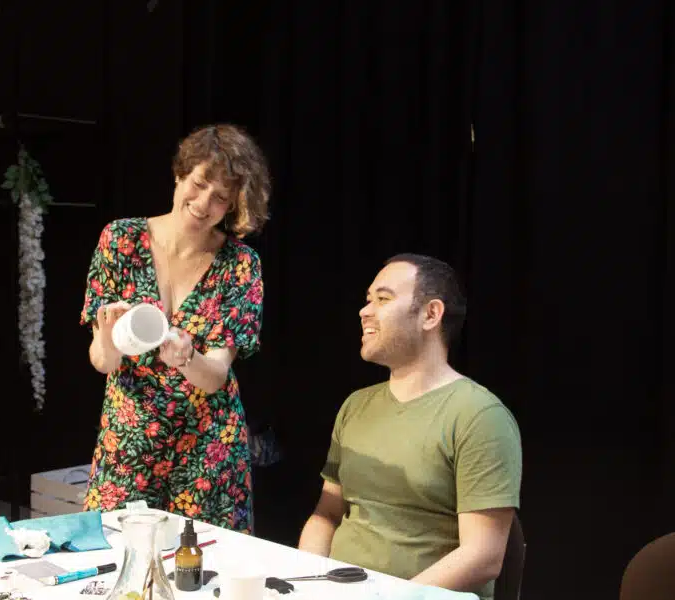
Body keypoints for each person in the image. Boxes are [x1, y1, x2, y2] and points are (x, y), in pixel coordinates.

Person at [79, 124, 271, 533]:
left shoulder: (240, 264)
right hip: (129, 440)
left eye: (220, 197)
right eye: (199, 184)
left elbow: (216, 376)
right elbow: (103, 361)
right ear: (180, 174)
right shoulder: (121, 240)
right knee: (115, 553)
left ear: (233, 206)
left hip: (207, 448)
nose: (203, 203)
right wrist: (109, 333)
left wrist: (187, 357)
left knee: (204, 563)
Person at [298, 254, 522, 600]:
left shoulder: (480, 416)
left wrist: (391, 597)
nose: (365, 311)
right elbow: (326, 515)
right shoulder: (355, 405)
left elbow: (483, 556)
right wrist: (307, 581)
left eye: (383, 299)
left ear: (431, 314)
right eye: (368, 299)